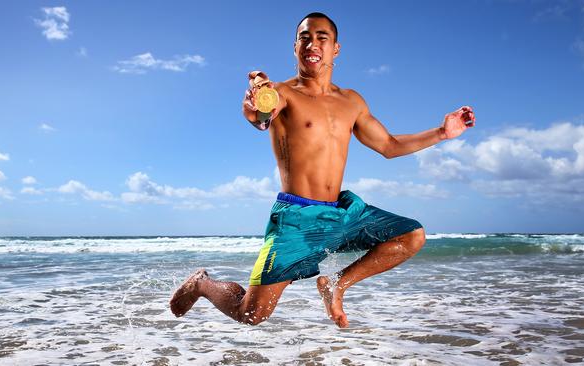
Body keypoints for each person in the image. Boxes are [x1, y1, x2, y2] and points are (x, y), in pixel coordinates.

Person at [170, 12, 475, 328]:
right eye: (304, 37)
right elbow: (263, 115)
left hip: (341, 215)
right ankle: (202, 283)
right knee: (252, 314)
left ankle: (335, 284)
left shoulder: (351, 101)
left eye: (321, 37)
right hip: (296, 220)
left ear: (336, 49)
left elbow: (389, 145)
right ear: (295, 47)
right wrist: (256, 110)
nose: (312, 43)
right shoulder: (283, 93)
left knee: (411, 235)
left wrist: (441, 132)